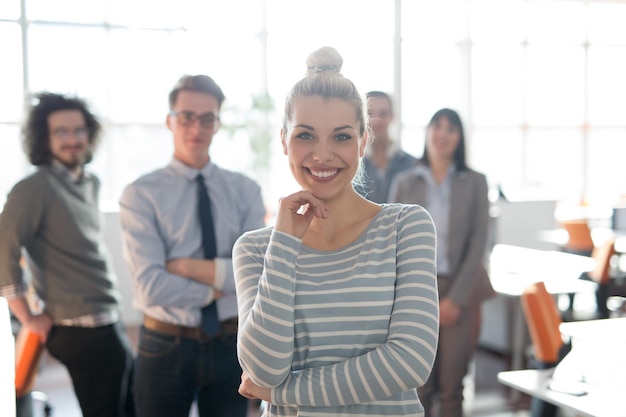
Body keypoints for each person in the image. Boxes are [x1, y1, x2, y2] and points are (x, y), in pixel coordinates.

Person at [234, 46, 439, 417]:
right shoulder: (255, 249)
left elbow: (410, 362)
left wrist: (281, 392)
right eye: (305, 136)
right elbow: (263, 370)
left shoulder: (406, 227)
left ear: (364, 140)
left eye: (341, 137)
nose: (323, 154)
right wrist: (283, 244)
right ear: (284, 141)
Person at [119, 74, 266, 417]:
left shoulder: (245, 190)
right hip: (165, 344)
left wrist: (184, 267)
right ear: (170, 120)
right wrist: (220, 283)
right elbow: (150, 286)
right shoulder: (140, 194)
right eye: (186, 116)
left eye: (207, 118)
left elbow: (256, 274)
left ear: (217, 124)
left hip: (232, 341)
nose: (196, 127)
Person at [0, 92, 135, 417]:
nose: (72, 139)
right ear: (44, 138)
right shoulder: (33, 188)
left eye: (78, 130)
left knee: (130, 403)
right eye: (61, 131)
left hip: (107, 316)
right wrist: (29, 318)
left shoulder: (89, 183)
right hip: (78, 328)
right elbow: (2, 251)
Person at [389, 108, 495, 417]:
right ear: (427, 132)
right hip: (416, 289)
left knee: (451, 386)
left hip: (459, 290)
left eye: (451, 128)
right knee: (417, 384)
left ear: (459, 138)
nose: (443, 134)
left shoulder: (475, 182)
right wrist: (413, 296)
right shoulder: (406, 182)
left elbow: (478, 243)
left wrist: (454, 299)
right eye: (437, 126)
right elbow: (395, 242)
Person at [357, 91, 417, 203]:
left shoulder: (413, 165)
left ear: (392, 117)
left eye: (383, 114)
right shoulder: (353, 165)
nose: (376, 121)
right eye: (369, 114)